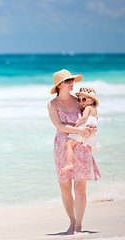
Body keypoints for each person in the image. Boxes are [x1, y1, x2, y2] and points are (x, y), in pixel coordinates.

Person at [47, 69, 101, 234]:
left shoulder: (79, 101)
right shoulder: (52, 104)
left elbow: (92, 119)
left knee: (80, 188)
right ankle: (71, 223)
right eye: (68, 81)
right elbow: (59, 126)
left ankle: (78, 226)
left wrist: (91, 131)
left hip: (82, 145)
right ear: (60, 84)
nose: (72, 83)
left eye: (72, 80)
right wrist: (79, 132)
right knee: (64, 188)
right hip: (62, 146)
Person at [60, 87, 101, 173]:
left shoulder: (88, 108)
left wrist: (75, 127)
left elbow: (83, 118)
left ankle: (69, 163)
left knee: (68, 145)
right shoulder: (95, 111)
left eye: (84, 99)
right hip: (89, 132)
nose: (81, 102)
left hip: (83, 129)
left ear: (92, 100)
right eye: (79, 100)